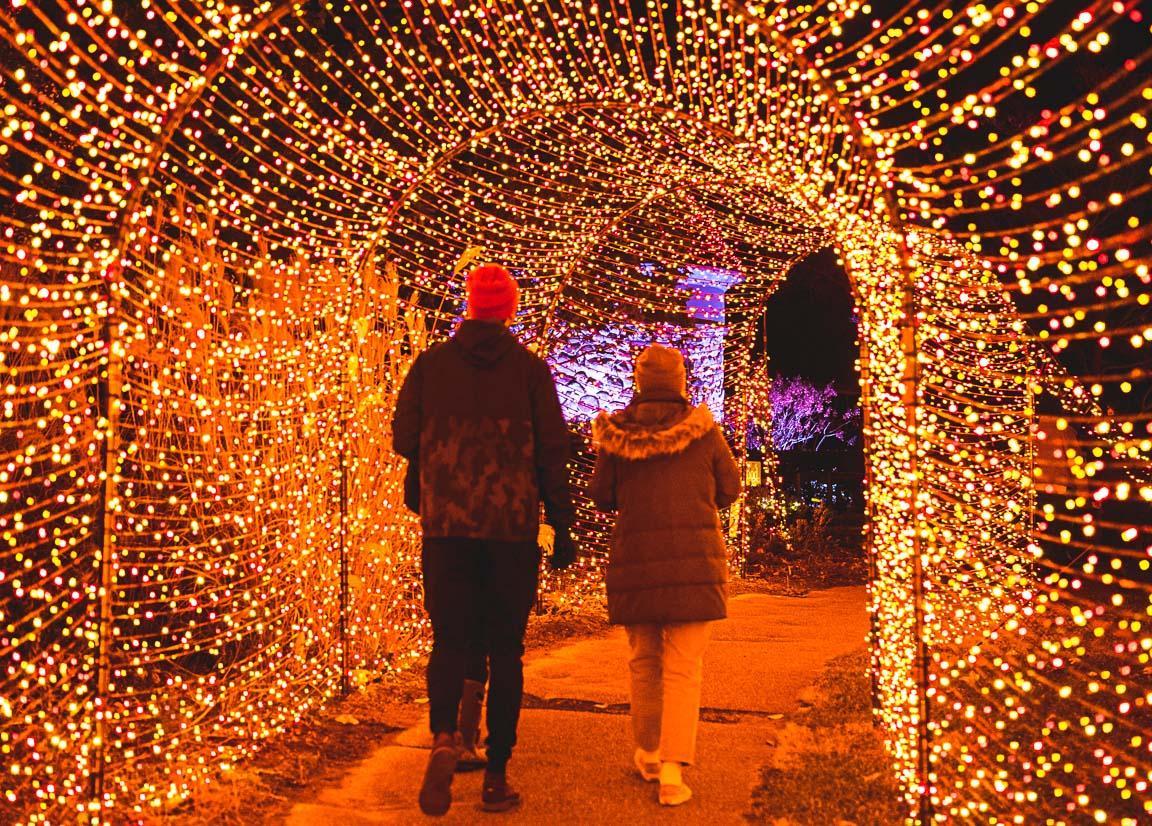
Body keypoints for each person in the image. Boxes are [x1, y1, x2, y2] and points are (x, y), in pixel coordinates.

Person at [392, 263, 577, 816]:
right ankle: (496, 775)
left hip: (447, 527)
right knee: (506, 651)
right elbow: (551, 454)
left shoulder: (431, 366)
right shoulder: (529, 372)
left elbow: (404, 436)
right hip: (510, 531)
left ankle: (446, 736)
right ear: (510, 310)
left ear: (470, 307)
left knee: (449, 639)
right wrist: (563, 525)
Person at [589, 344, 741, 807]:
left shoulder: (618, 435)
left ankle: (649, 753)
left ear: (639, 380)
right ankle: (673, 774)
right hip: (695, 563)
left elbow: (601, 496)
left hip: (636, 562)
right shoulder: (705, 433)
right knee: (683, 667)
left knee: (644, 661)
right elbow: (730, 489)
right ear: (680, 381)